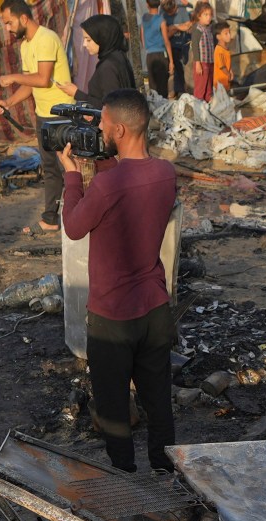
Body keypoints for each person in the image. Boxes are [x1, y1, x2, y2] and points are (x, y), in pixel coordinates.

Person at [61, 90, 178, 473]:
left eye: (105, 124)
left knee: (113, 408)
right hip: (155, 308)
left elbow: (75, 227)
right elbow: (130, 186)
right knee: (158, 401)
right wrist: (103, 161)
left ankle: (124, 482)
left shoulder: (106, 187)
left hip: (113, 315)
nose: (100, 129)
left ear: (122, 128)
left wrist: (73, 176)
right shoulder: (166, 173)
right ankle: (165, 476)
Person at [0, 0, 72, 231]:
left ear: (23, 18)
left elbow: (42, 78)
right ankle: (51, 219)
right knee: (50, 169)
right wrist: (8, 102)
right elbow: (32, 85)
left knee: (67, 167)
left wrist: (13, 77)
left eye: (9, 22)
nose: (7, 28)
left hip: (61, 114)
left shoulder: (46, 39)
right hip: (44, 115)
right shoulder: (25, 45)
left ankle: (78, 217)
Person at [71, 14, 142, 101]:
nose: (84, 44)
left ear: (102, 37)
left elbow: (110, 106)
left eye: (88, 40)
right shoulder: (119, 57)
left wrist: (77, 94)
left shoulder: (108, 66)